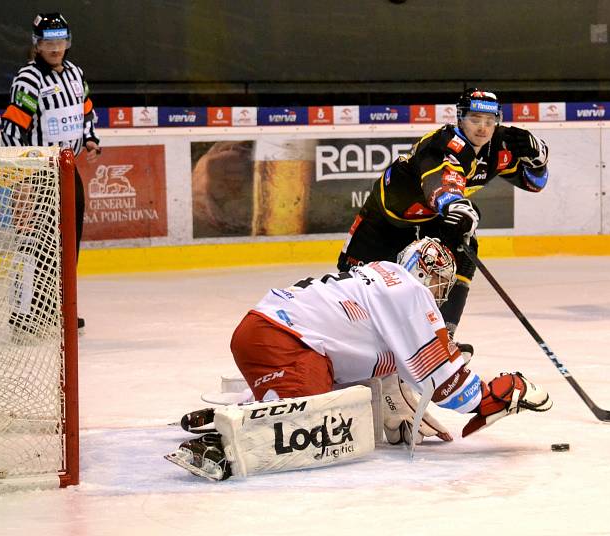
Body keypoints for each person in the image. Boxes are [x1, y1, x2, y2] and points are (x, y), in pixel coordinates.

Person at [167, 237, 552, 480]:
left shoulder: (378, 278)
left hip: (268, 332)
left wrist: (395, 400)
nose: (439, 291)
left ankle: (247, 409)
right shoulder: (409, 292)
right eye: (439, 281)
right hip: (284, 341)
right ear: (426, 275)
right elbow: (444, 382)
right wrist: (502, 393)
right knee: (317, 434)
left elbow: (368, 360)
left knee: (342, 415)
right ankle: (225, 441)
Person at [337, 88, 549, 340]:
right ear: (460, 118)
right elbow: (441, 183)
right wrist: (455, 205)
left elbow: (534, 183)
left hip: (432, 218)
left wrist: (539, 158)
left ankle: (442, 336)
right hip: (385, 218)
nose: (482, 128)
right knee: (351, 288)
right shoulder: (442, 143)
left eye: (489, 121)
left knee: (464, 247)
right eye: (474, 119)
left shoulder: (500, 146)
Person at [1, 12, 100, 330]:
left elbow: (86, 110)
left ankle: (60, 307)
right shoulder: (29, 79)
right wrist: (24, 176)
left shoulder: (74, 73)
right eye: (48, 42)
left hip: (68, 168)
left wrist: (91, 139)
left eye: (60, 41)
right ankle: (27, 313)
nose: (55, 48)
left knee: (69, 243)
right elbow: (13, 128)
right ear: (37, 45)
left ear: (68, 42)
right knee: (36, 243)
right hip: (39, 172)